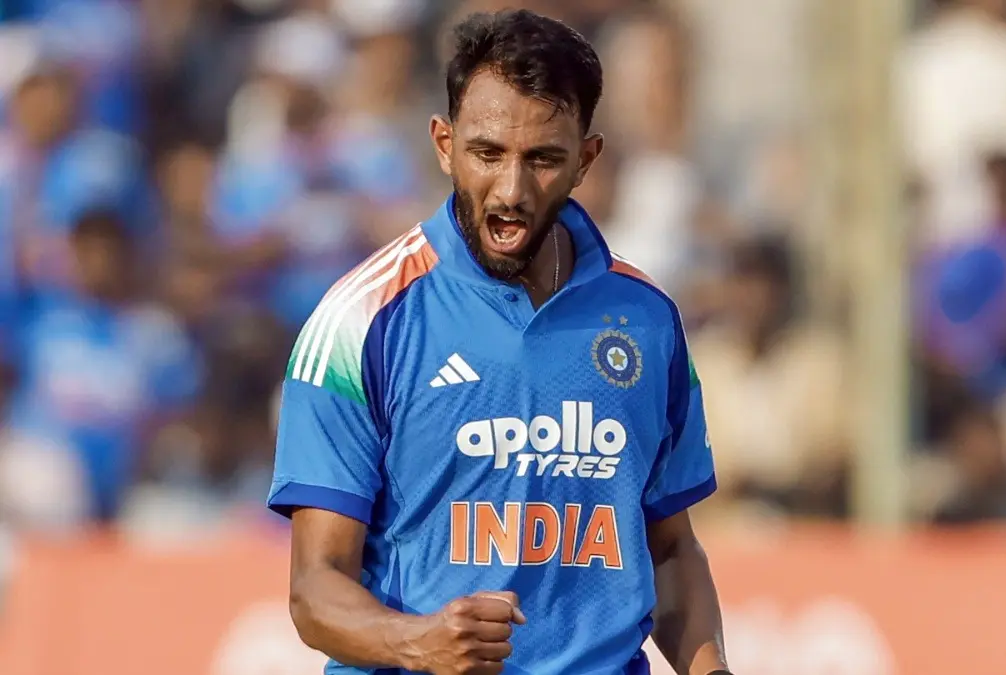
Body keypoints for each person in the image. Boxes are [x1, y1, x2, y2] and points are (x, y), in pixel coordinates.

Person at [267, 10, 730, 675]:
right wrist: (417, 641)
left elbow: (670, 553)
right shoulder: (359, 320)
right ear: (443, 144)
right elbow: (315, 589)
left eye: (542, 159)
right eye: (488, 154)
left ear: (586, 160)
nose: (511, 191)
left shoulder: (647, 320)